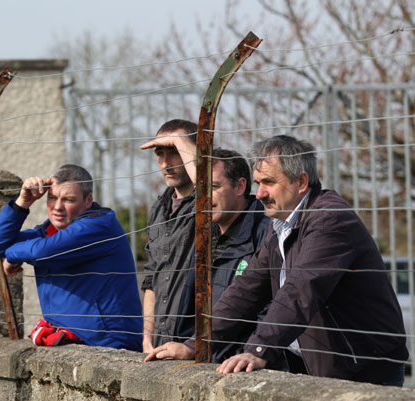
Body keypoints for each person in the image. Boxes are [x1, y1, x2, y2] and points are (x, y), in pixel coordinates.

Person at [145, 135, 408, 386]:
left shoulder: (330, 219)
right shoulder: (281, 223)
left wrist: (259, 349)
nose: (259, 194)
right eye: (258, 183)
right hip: (320, 368)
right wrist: (197, 343)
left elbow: (301, 290)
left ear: (301, 182)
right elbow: (247, 289)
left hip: (364, 372)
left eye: (268, 182)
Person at [0, 164, 142, 350]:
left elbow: (43, 252)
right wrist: (22, 202)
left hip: (109, 345)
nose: (58, 207)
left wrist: (11, 256)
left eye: (68, 199)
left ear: (88, 200)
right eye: (52, 197)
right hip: (70, 343)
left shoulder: (99, 225)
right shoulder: (49, 231)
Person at [173, 148, 271, 363]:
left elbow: (270, 308)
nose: (204, 197)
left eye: (214, 187)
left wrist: (253, 354)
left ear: (240, 187)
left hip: (244, 365)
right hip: (205, 360)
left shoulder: (266, 233)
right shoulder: (203, 237)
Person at [140, 119, 198, 352]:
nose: (165, 163)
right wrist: (147, 336)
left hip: (200, 344)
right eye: (159, 153)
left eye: (175, 151)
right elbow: (152, 275)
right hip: (162, 343)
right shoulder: (159, 208)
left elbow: (210, 189)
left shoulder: (210, 204)